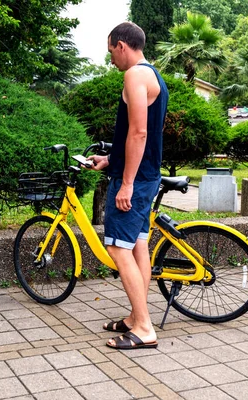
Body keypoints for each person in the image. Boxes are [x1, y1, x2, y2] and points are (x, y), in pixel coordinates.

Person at [87, 22, 169, 350]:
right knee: (137, 246)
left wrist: (127, 183)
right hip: (145, 174)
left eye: (111, 52)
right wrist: (111, 161)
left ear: (122, 45)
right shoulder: (154, 76)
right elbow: (145, 132)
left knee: (118, 248)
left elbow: (139, 133)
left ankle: (145, 328)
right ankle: (137, 318)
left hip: (135, 181)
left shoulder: (134, 75)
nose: (111, 60)